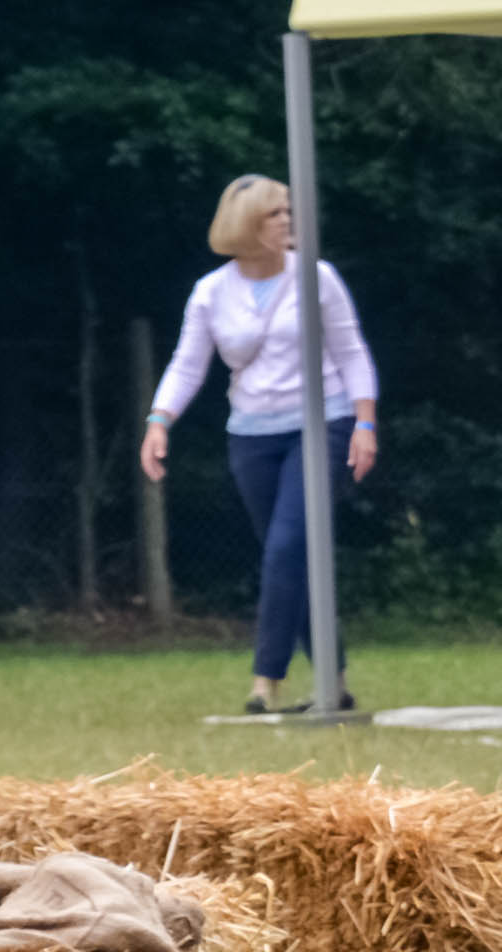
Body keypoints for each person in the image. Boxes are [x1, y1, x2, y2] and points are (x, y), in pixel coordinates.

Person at [136, 175, 379, 715]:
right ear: (246, 225)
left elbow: (351, 351)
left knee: (286, 548)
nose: (288, 220)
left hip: (323, 422)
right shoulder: (211, 292)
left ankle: (265, 681)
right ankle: (334, 682)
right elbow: (187, 364)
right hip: (250, 434)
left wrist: (365, 424)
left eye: (288, 211)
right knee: (293, 558)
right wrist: (159, 421)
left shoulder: (317, 277)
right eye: (275, 214)